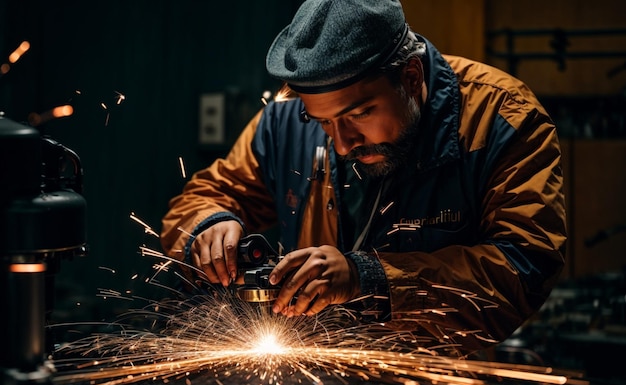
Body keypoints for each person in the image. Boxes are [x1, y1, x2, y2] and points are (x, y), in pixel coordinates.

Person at [161, 0, 566, 353]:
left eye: (360, 114)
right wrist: (208, 226)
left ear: (410, 77)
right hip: (321, 383)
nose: (341, 144)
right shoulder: (282, 121)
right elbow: (206, 197)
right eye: (322, 122)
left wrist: (369, 280)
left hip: (443, 383)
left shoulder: (502, 117)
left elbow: (524, 266)